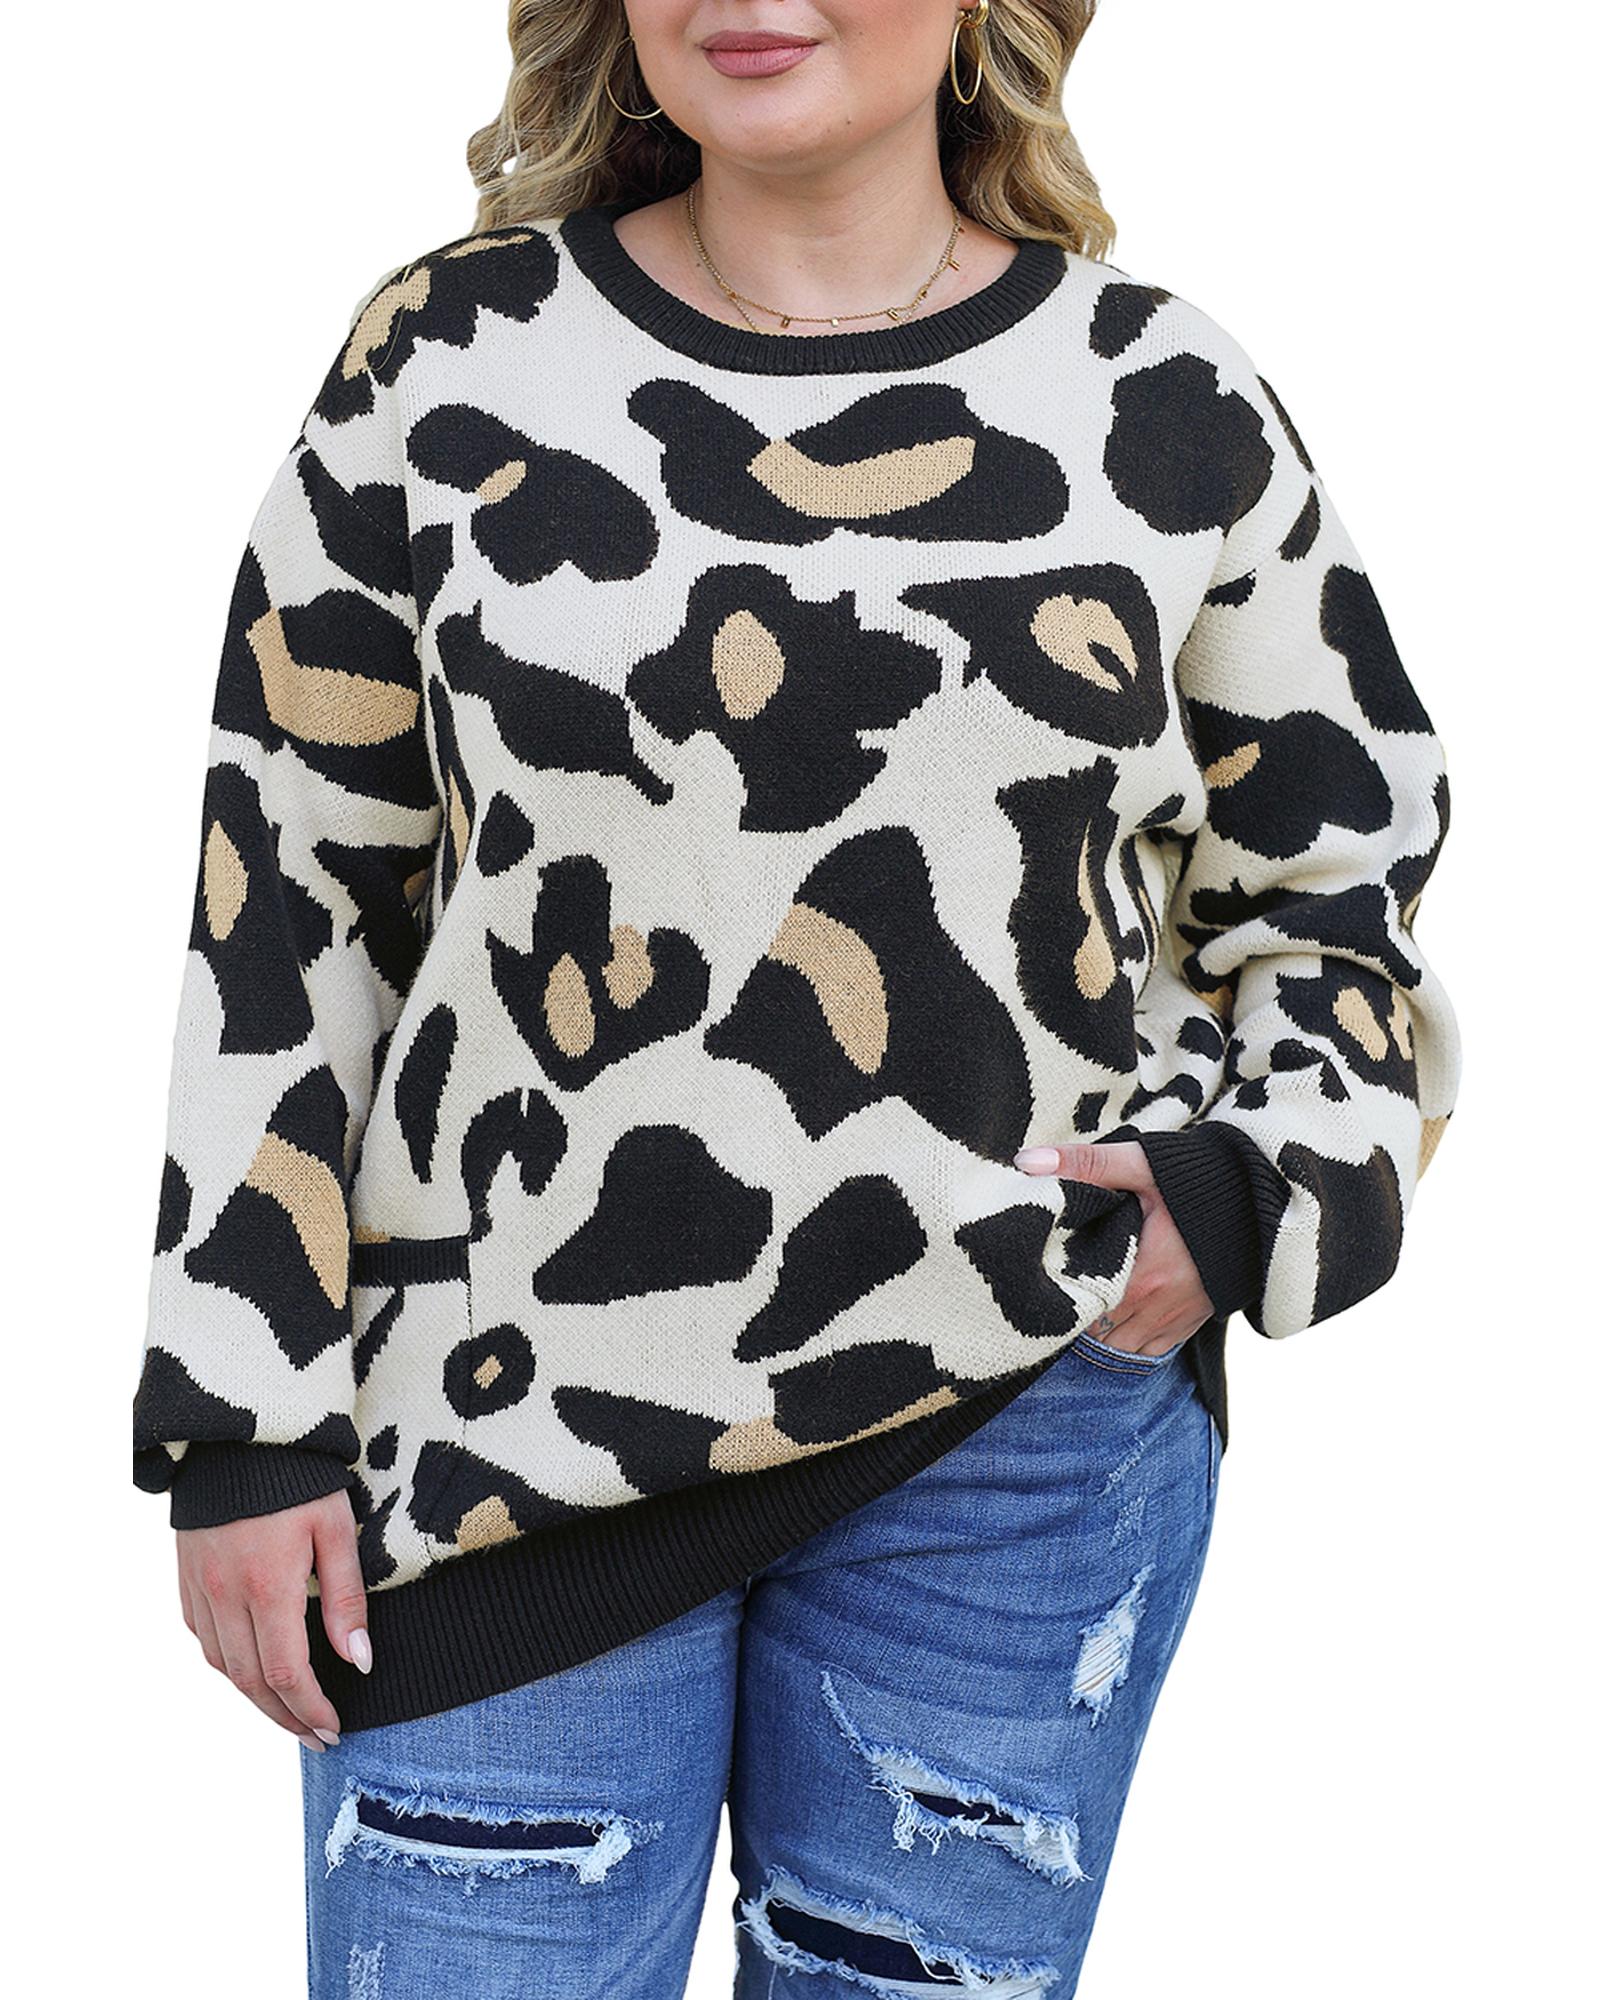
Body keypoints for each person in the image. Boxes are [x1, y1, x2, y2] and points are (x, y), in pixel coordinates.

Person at [130, 3, 1464, 1993]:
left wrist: (1246, 1187)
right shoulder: (446, 360)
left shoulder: (1160, 394)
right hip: (503, 1463)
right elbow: (288, 898)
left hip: (1019, 1445)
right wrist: (241, 1418)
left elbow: (1342, 880)